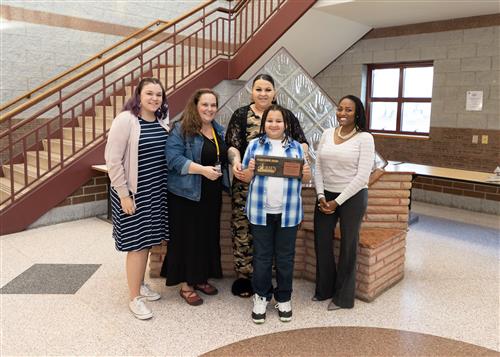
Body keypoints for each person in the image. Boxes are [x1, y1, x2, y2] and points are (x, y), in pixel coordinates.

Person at [225, 73, 309, 298]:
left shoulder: (285, 115)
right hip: (246, 187)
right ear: (251, 92)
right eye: (259, 89)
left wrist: (303, 164)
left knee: (274, 240)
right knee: (243, 232)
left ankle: (268, 281)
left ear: (275, 93)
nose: (263, 93)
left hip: (281, 190)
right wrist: (236, 163)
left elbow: (302, 143)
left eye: (268, 89)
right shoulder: (241, 114)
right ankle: (245, 278)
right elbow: (232, 145)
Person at [104, 77, 169, 320]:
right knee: (137, 245)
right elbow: (113, 160)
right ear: (138, 96)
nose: (154, 98)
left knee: (149, 241)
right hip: (133, 193)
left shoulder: (162, 121)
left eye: (158, 95)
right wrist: (124, 195)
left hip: (156, 192)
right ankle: (134, 298)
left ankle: (140, 285)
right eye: (149, 93)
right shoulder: (126, 120)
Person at [240, 104, 311, 324]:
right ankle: (261, 296)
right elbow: (244, 177)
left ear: (286, 124)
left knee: (285, 258)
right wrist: (249, 170)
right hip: (261, 212)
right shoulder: (254, 146)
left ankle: (284, 298)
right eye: (270, 121)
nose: (274, 124)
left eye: (278, 121)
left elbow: (306, 179)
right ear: (264, 124)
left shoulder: (297, 148)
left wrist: (307, 174)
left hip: (288, 213)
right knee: (261, 257)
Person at [160, 88, 229, 306]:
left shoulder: (218, 129)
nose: (209, 109)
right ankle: (186, 285)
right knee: (187, 239)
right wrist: (202, 170)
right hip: (186, 195)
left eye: (213, 105)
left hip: (211, 194)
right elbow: (173, 160)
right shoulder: (181, 129)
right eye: (205, 105)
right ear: (195, 105)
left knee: (206, 237)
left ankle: (200, 278)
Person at [313, 94, 375, 310]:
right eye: (340, 109)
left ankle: (343, 298)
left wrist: (336, 202)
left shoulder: (365, 138)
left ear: (357, 113)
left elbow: (362, 177)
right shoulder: (327, 133)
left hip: (352, 197)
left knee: (348, 246)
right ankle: (325, 290)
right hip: (325, 196)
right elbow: (318, 166)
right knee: (322, 243)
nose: (343, 113)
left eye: (349, 110)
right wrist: (321, 196)